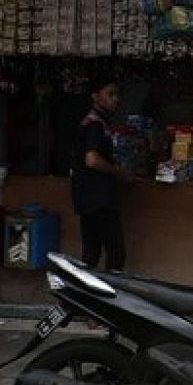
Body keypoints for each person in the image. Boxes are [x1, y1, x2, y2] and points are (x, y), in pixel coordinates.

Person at [71, 73, 135, 271]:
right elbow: (92, 160)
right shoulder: (95, 124)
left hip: (87, 197)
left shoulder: (96, 122)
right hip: (99, 198)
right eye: (110, 94)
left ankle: (83, 297)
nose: (116, 99)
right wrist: (119, 172)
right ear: (95, 96)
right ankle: (111, 298)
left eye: (117, 94)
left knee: (91, 254)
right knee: (115, 253)